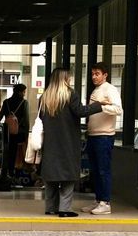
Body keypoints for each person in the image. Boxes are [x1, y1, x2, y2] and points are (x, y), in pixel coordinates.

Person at [37, 68, 104, 218]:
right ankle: (64, 209)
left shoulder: (44, 98)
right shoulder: (70, 94)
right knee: (68, 175)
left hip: (50, 142)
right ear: (64, 79)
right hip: (67, 141)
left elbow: (42, 118)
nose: (70, 79)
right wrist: (98, 105)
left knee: (51, 175)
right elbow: (80, 111)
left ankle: (50, 207)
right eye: (68, 77)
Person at [83, 63, 123, 215]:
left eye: (97, 73)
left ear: (105, 75)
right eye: (93, 74)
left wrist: (100, 106)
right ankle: (98, 199)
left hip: (104, 136)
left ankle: (105, 202)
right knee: (94, 170)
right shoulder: (96, 90)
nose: (94, 76)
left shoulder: (110, 89)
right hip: (93, 135)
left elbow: (118, 109)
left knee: (103, 170)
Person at [0, 83, 29, 182]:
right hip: (19, 133)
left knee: (7, 152)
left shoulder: (6, 102)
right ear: (19, 92)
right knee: (17, 154)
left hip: (7, 131)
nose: (24, 94)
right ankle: (15, 175)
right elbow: (26, 120)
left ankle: (7, 173)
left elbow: (0, 116)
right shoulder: (24, 103)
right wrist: (26, 133)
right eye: (23, 92)